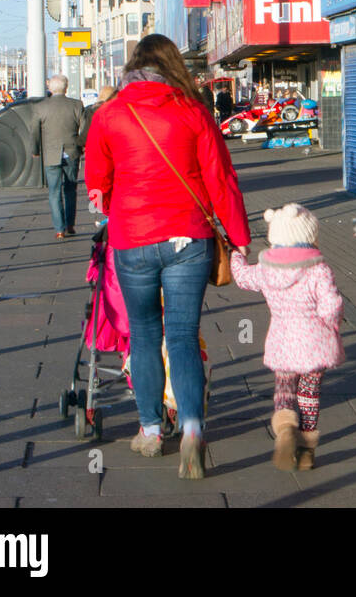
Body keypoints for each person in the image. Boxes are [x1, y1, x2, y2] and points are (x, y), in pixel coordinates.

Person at [83, 34, 251, 479]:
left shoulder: (109, 114)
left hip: (132, 239)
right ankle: (192, 429)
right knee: (182, 336)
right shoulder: (193, 111)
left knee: (142, 336)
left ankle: (152, 430)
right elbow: (221, 178)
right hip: (188, 239)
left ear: (134, 67)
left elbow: (97, 182)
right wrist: (239, 236)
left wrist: (115, 203)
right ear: (172, 65)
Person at [230, 204, 344, 470]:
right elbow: (332, 306)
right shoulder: (319, 269)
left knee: (284, 389)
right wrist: (331, 327)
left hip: (282, 342)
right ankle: (306, 452)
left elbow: (243, 278)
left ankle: (284, 430)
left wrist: (236, 254)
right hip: (316, 343)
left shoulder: (266, 269)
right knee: (309, 394)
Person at [32, 75, 85, 240]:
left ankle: (59, 228)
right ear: (66, 88)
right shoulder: (76, 105)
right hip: (71, 152)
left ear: (50, 88)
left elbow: (34, 131)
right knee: (70, 189)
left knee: (54, 192)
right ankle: (70, 224)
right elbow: (83, 129)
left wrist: (35, 150)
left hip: (51, 153)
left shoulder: (41, 107)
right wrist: (80, 146)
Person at [78, 85, 116, 152]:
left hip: (95, 149)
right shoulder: (117, 111)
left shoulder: (91, 111)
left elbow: (85, 135)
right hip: (113, 149)